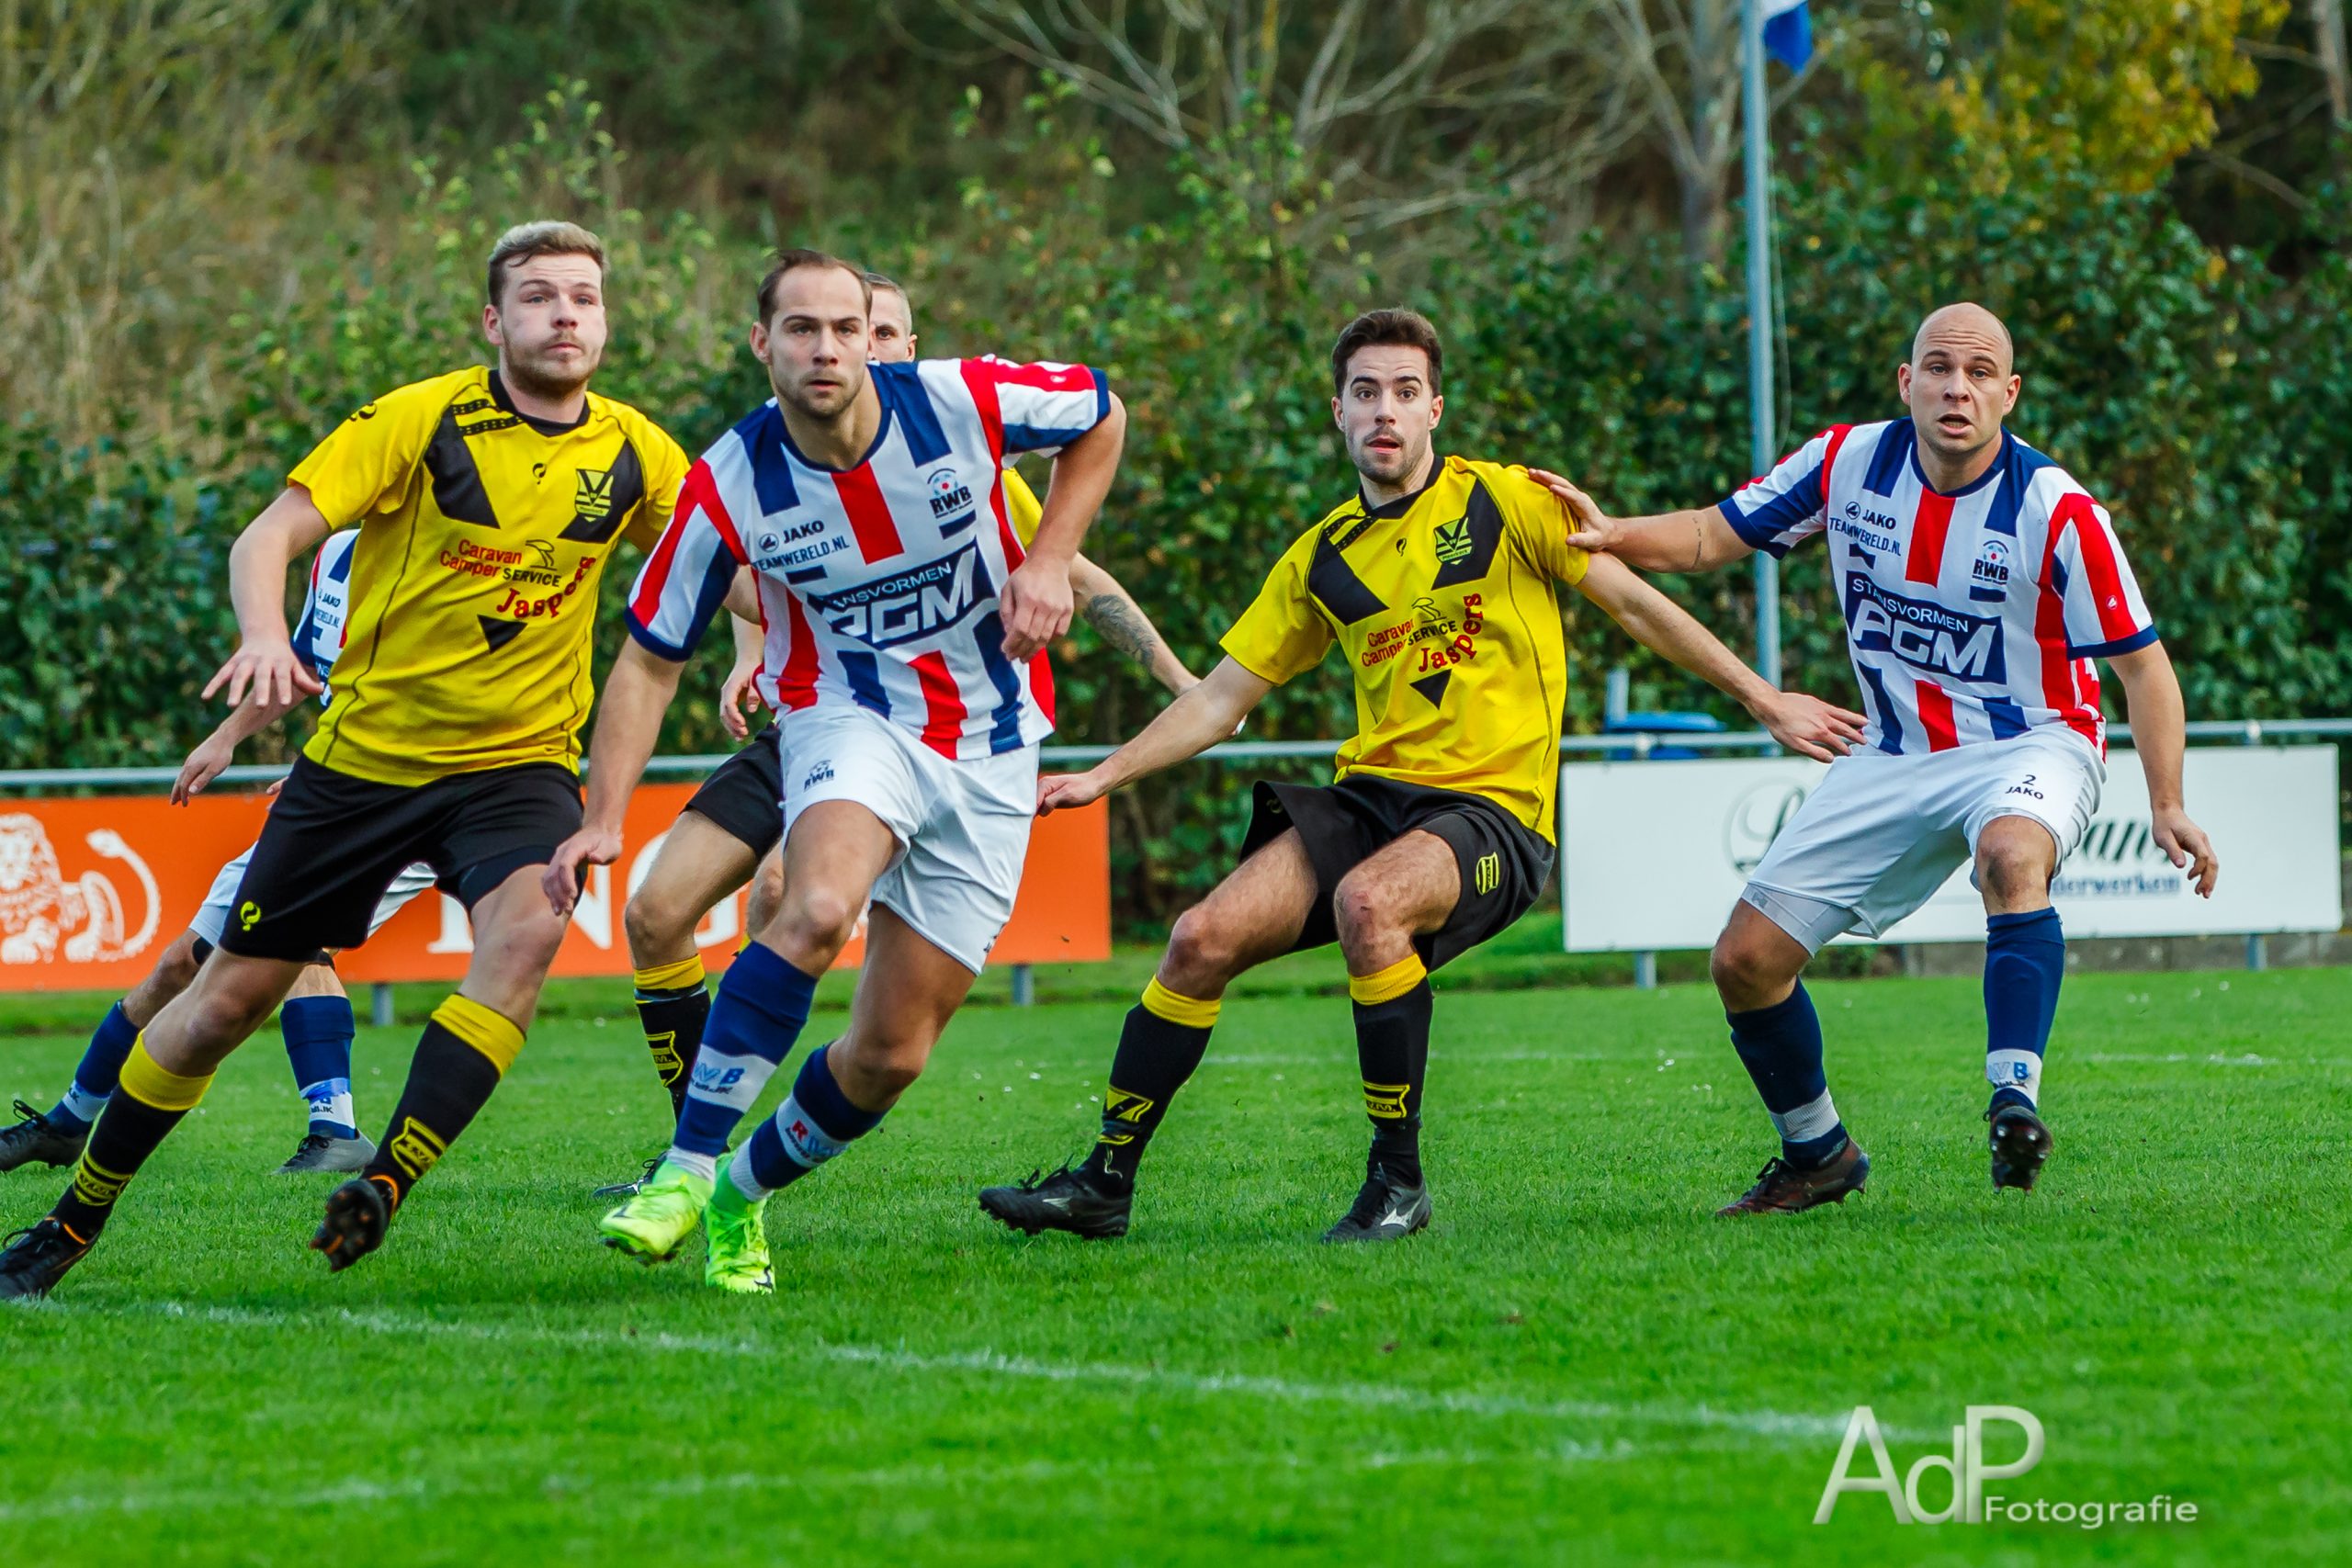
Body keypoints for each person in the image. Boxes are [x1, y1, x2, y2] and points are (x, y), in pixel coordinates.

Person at [978, 308, 1860, 1244]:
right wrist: (1103, 775)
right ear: (1338, 413)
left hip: (1494, 811)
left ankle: (1396, 1186)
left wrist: (1762, 696)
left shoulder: (1507, 501)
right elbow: (1220, 700)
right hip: (1371, 801)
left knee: (1370, 905)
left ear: (1435, 407)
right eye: (1365, 393)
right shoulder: (1321, 555)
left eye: (1404, 391)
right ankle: (1103, 1184)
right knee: (1200, 936)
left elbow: (1637, 607)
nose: (1384, 411)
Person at [0, 220, 690, 1300]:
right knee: (220, 1002)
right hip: (362, 767)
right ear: (493, 320)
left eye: (586, 299)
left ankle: (383, 1179)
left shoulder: (639, 451)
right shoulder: (418, 419)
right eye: (543, 296)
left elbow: (726, 567)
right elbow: (266, 535)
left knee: (530, 930)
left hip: (519, 769)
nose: (567, 316)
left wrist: (756, 645)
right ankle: (70, 1224)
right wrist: (266, 638)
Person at [1526, 301, 2219, 1213]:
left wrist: (2165, 801)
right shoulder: (1845, 462)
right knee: (1744, 960)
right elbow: (1711, 534)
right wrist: (1613, 532)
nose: (1955, 389)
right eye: (1937, 368)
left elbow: (2143, 667)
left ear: (2007, 395)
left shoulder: (2056, 510)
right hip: (1890, 752)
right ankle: (1817, 1153)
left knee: (2010, 856)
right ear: (1907, 382)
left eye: (1977, 374)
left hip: (2030, 741)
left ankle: (2014, 1097)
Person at [547, 247, 1125, 1294]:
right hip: (846, 716)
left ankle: (738, 1196)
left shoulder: (959, 399)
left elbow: (1101, 413)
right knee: (812, 908)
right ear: (762, 344)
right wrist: (602, 817)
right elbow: (646, 656)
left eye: (844, 328)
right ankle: (683, 1169)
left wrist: (1047, 560)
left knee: (889, 1057)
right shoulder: (729, 482)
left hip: (992, 749)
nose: (824, 349)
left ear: (874, 337)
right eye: (799, 330)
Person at [0, 530, 438, 1180]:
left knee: (297, 943)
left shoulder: (449, 558)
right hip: (337, 796)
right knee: (184, 961)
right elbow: (304, 668)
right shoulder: (340, 553)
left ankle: (336, 1129)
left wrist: (340, 769)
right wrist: (227, 737)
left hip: (416, 799)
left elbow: (444, 699)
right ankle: (69, 1122)